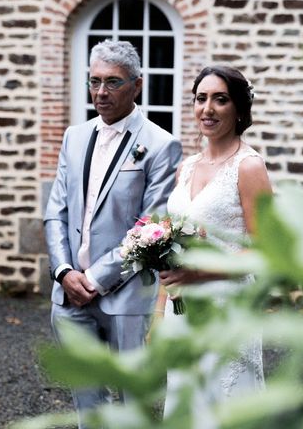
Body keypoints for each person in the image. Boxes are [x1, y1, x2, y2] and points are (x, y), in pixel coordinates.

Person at [43, 39, 182, 428]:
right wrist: (64, 272)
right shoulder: (73, 137)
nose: (101, 93)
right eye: (94, 82)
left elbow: (152, 227)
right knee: (87, 401)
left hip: (126, 295)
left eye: (113, 82)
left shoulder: (161, 145)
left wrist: (94, 279)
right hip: (69, 296)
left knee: (132, 403)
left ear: (137, 86)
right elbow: (55, 212)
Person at [158, 65, 273, 420]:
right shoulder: (186, 167)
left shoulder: (249, 166)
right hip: (180, 311)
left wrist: (200, 273)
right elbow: (168, 247)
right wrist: (158, 316)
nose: (207, 108)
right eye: (201, 98)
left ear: (239, 109)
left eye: (220, 100)